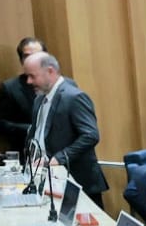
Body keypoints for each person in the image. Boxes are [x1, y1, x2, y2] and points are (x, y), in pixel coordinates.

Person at [24, 52, 106, 204]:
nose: (28, 81)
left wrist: (59, 158)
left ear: (50, 71)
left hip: (77, 181)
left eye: (32, 76)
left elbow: (90, 135)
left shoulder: (74, 97)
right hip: (48, 181)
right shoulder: (39, 100)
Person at [0, 36, 43, 161]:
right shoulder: (10, 88)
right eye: (27, 56)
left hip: (61, 156)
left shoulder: (62, 85)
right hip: (27, 155)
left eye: (37, 55)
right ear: (21, 60)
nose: (32, 60)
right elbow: (2, 124)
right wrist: (31, 129)